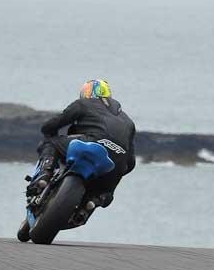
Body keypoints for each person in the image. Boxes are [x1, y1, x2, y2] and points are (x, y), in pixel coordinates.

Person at [28, 79, 136, 219]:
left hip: (91, 143)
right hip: (118, 161)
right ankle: (93, 201)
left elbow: (56, 122)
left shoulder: (84, 103)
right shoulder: (128, 121)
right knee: (105, 193)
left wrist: (48, 130)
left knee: (49, 142)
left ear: (88, 92)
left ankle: (45, 173)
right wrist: (119, 169)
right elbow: (131, 163)